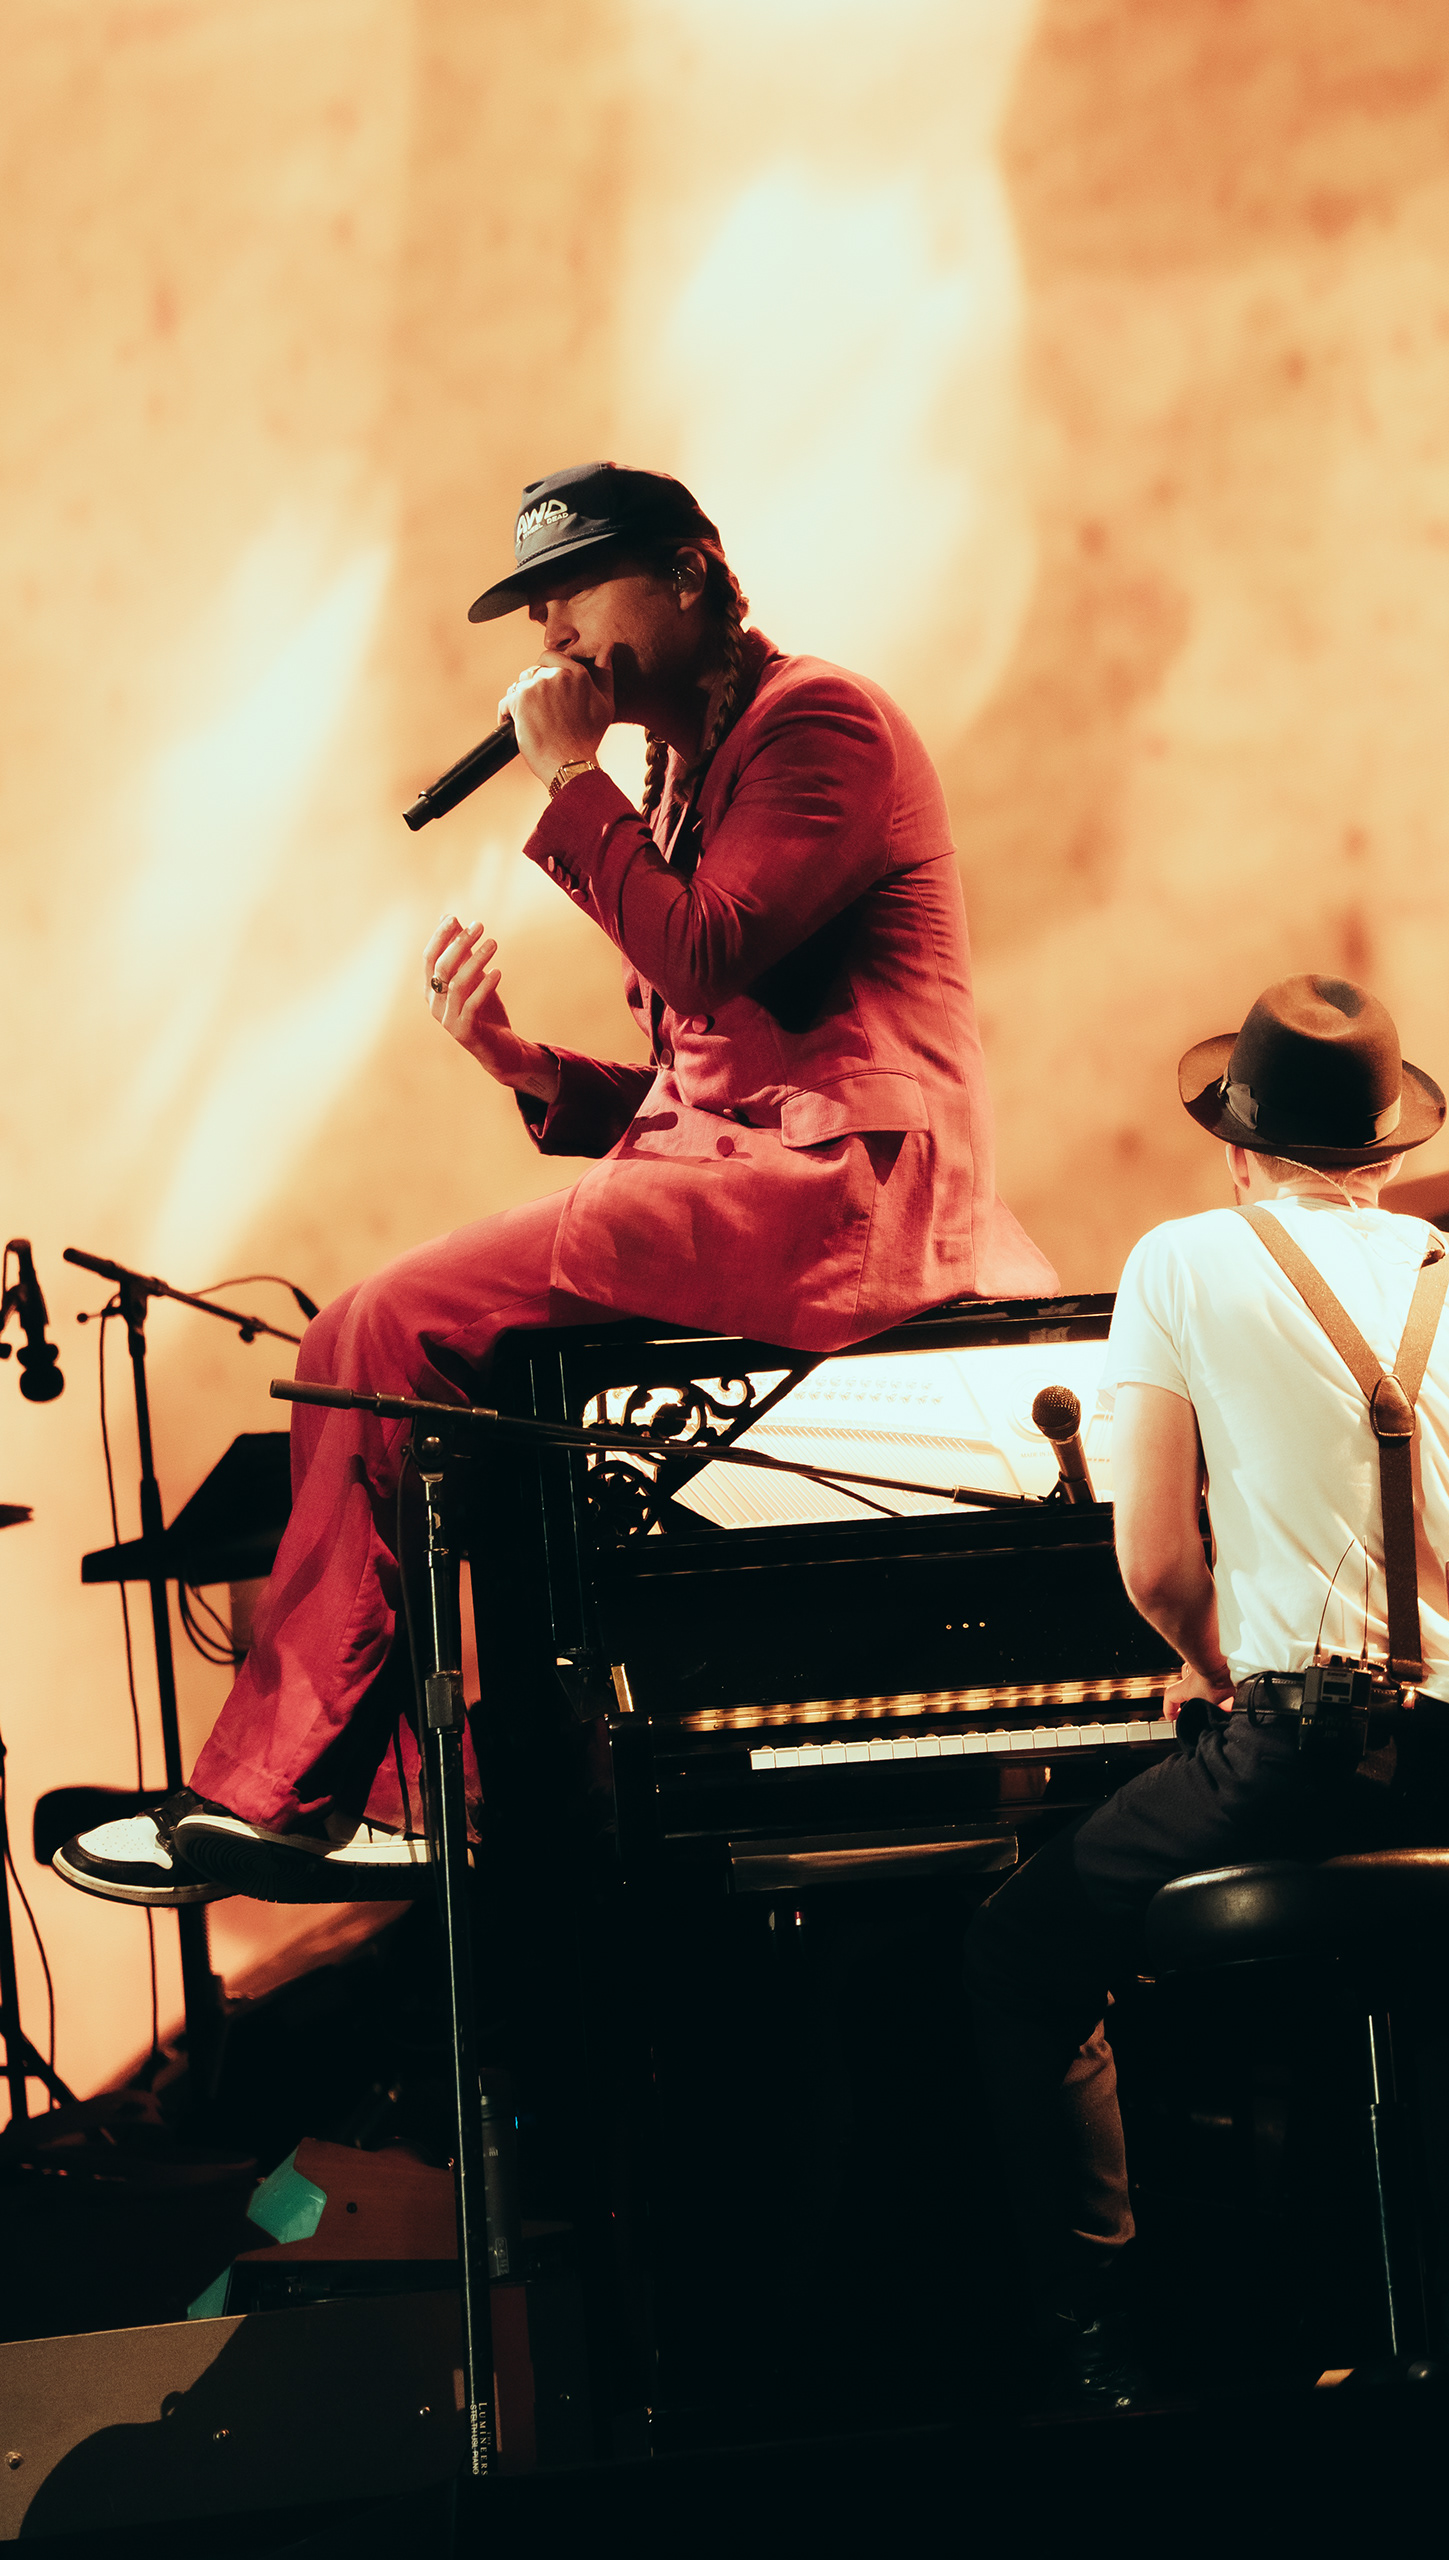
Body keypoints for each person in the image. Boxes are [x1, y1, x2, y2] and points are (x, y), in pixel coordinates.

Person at [58, 462, 1054, 1910]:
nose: (557, 636)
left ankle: (282, 1794)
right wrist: (523, 1063)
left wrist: (569, 782)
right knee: (450, 1410)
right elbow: (704, 1082)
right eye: (538, 612)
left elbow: (704, 955)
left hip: (844, 1200)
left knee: (378, 1329)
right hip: (753, 1182)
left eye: (578, 591)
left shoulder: (821, 722)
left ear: (693, 572)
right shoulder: (686, 769)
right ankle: (418, 1796)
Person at [963, 973, 1449, 2403]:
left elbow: (1155, 1567)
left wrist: (1207, 1674)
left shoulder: (1182, 1264)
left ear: (1239, 1152)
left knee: (1019, 1958)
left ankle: (1105, 2351)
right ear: (1389, 1154)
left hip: (1313, 1760)